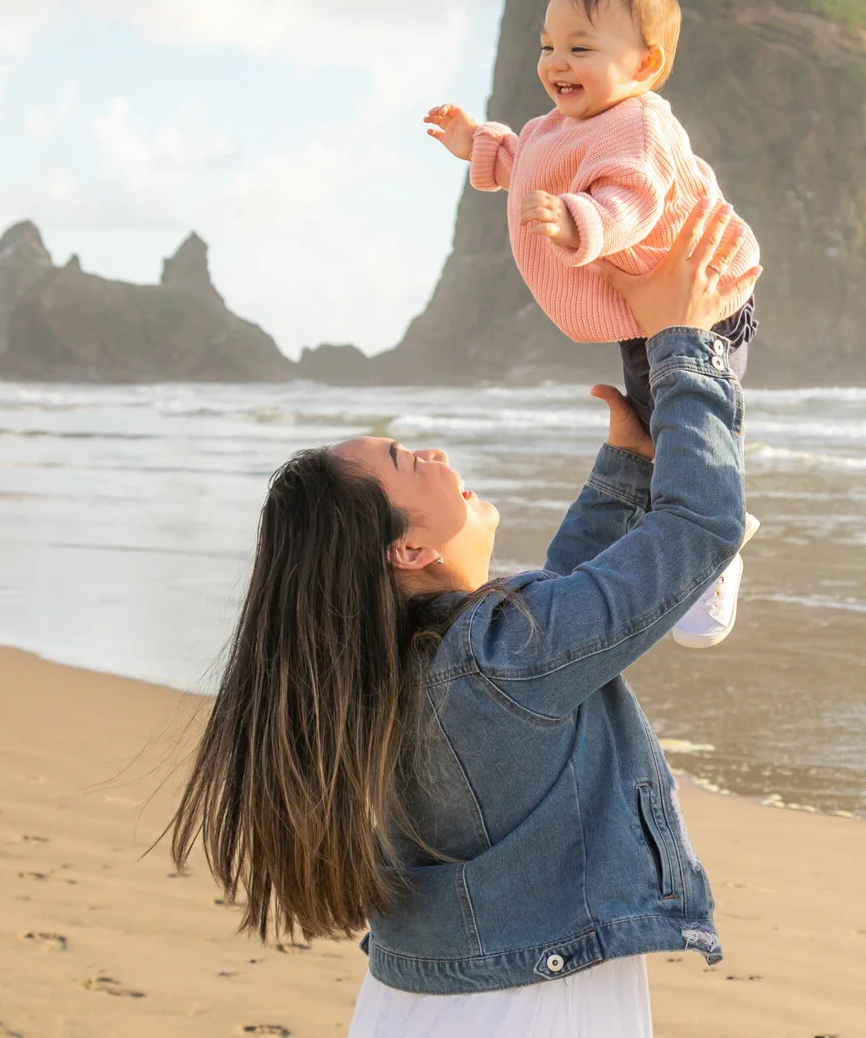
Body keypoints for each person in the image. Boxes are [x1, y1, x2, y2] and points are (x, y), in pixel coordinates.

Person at [167, 201, 759, 1038]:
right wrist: (685, 344)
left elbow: (556, 621)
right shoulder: (496, 662)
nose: (437, 454)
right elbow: (698, 530)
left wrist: (627, 468)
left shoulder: (403, 668)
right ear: (404, 551)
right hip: (527, 1010)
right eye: (411, 462)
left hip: (419, 1001)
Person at [423, 0, 761, 649]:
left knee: (693, 427)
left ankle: (719, 532)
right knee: (650, 425)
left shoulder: (639, 128)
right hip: (645, 311)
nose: (556, 62)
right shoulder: (565, 124)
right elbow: (527, 163)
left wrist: (580, 223)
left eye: (581, 48)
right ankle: (669, 532)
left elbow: (630, 200)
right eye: (547, 46)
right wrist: (471, 143)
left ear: (647, 65)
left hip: (707, 301)